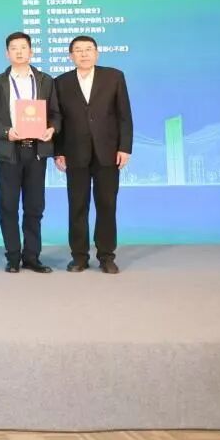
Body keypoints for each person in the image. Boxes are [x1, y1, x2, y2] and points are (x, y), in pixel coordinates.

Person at [54, 35, 133, 274]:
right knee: (77, 206)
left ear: (97, 53)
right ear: (71, 56)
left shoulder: (114, 77)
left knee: (107, 205)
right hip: (74, 153)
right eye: (78, 50)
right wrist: (58, 151)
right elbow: (58, 119)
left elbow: (124, 115)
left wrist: (124, 147)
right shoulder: (61, 82)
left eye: (88, 49)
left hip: (107, 152)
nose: (84, 54)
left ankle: (106, 256)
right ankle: (79, 256)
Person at [0, 32, 62, 273]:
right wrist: (6, 132)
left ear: (31, 52)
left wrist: (52, 129)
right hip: (9, 151)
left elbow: (56, 114)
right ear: (7, 53)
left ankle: (32, 256)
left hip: (36, 151)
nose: (19, 52)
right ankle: (13, 257)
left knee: (35, 206)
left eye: (23, 47)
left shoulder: (45, 81)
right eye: (14, 48)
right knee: (8, 206)